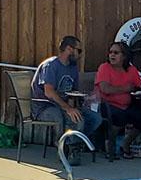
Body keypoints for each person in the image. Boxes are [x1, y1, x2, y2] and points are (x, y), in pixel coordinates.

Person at [31, 35, 103, 165]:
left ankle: (73, 144)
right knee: (61, 116)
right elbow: (49, 92)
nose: (79, 54)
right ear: (69, 49)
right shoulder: (51, 65)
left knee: (93, 118)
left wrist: (82, 101)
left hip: (63, 105)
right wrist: (68, 108)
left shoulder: (73, 67)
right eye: (78, 50)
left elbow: (72, 92)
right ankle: (62, 147)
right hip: (45, 107)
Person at [95, 41, 141, 160]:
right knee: (120, 116)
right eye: (110, 52)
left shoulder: (131, 70)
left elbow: (138, 87)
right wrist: (125, 88)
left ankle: (126, 144)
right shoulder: (104, 68)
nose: (112, 55)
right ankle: (110, 146)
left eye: (116, 53)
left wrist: (136, 91)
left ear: (124, 56)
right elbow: (105, 89)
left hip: (128, 104)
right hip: (108, 104)